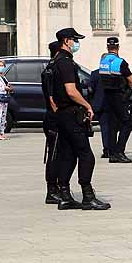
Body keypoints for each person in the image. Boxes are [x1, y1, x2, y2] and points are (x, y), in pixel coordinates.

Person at [49, 28, 110, 210]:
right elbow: (71, 90)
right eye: (75, 40)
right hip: (70, 114)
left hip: (61, 114)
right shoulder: (66, 62)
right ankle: (87, 195)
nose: (77, 43)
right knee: (86, 155)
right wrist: (87, 105)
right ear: (66, 41)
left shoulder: (54, 61)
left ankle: (65, 195)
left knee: (68, 155)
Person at [97, 37, 132, 163]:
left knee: (112, 125)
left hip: (107, 97)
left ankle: (112, 153)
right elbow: (131, 81)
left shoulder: (103, 62)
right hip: (119, 96)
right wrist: (127, 91)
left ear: (107, 47)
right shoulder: (120, 62)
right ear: (118, 47)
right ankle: (120, 151)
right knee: (127, 123)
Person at [41, 39, 64, 205]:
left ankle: (58, 187)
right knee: (54, 154)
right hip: (54, 118)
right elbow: (51, 98)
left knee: (59, 154)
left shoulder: (50, 67)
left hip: (53, 117)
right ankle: (52, 190)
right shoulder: (52, 69)